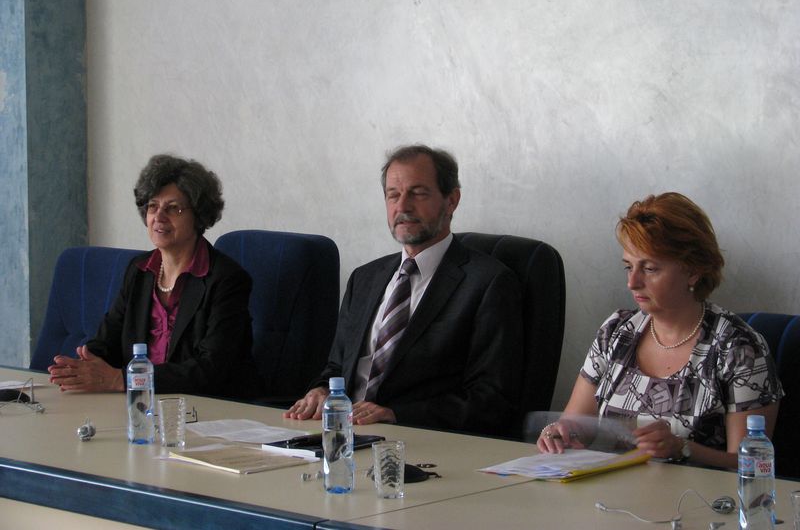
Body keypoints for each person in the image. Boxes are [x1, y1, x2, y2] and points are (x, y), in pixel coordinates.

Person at [284, 145, 523, 435]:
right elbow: (336, 367)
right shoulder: (364, 278)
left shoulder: (488, 283)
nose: (403, 206)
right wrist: (321, 391)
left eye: (418, 193)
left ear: (451, 201)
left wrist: (396, 415)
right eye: (393, 195)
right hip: (342, 436)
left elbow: (492, 399)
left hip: (418, 440)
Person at [537, 192, 782, 469]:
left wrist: (683, 448)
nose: (632, 282)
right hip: (610, 490)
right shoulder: (616, 331)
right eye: (629, 267)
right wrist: (560, 433)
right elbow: (576, 423)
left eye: (650, 268)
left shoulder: (738, 348)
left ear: (693, 271)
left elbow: (751, 465)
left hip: (694, 495)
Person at [48, 154, 258, 399]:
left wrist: (123, 379)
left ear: (198, 216)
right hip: (141, 404)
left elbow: (210, 370)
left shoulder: (226, 279)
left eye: (173, 208)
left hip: (206, 407)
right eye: (152, 206)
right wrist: (83, 365)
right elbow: (108, 340)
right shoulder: (140, 270)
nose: (159, 217)